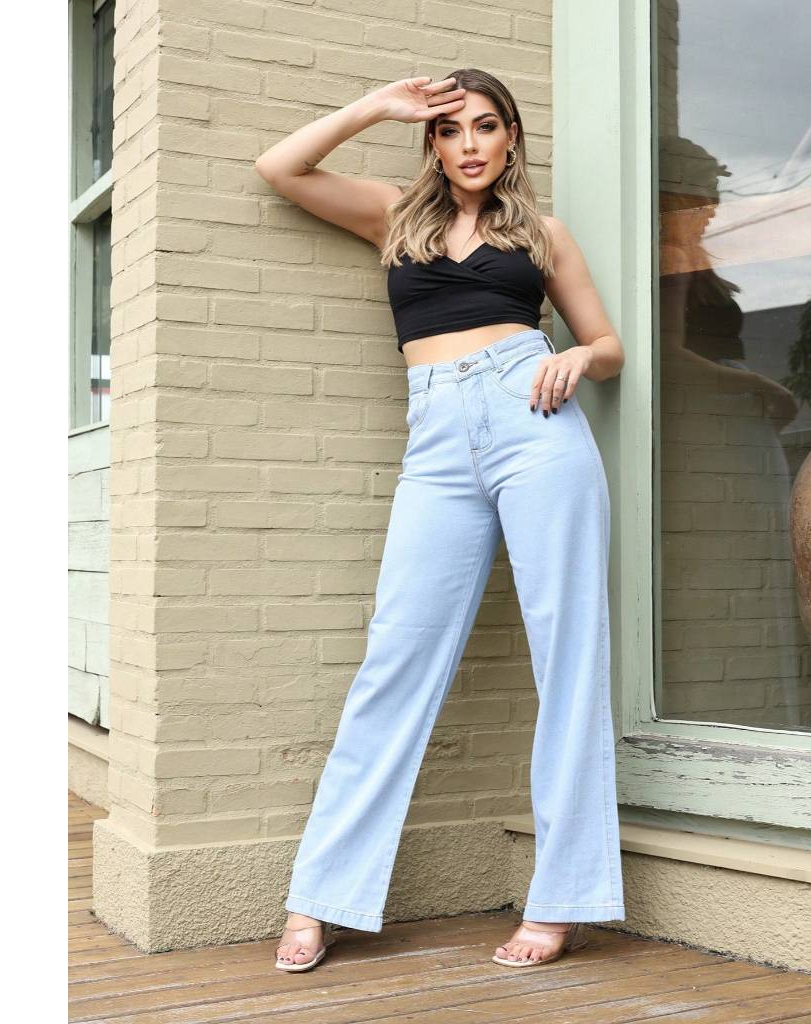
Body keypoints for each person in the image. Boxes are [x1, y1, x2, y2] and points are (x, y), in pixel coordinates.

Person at [255, 67, 626, 973]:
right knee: (396, 657)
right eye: (451, 130)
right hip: (436, 441)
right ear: (431, 142)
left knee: (568, 657)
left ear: (511, 138)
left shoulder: (542, 235)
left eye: (486, 126)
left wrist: (579, 358)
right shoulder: (395, 217)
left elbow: (610, 344)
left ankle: (564, 899)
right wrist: (377, 107)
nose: (469, 144)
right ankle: (323, 896)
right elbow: (281, 168)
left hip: (535, 423)